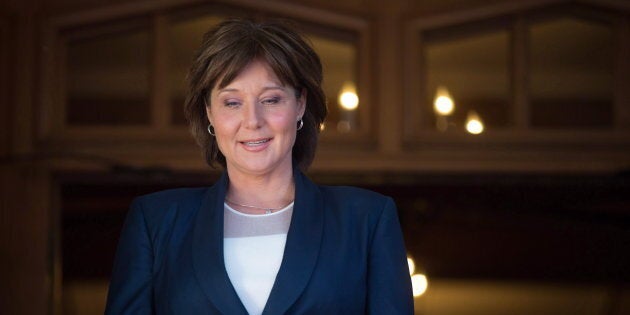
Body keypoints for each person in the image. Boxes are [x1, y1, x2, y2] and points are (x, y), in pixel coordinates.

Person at [105, 18, 413, 314]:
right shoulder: (156, 222)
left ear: (300, 104)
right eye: (232, 102)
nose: (252, 121)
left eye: (271, 99)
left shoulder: (366, 220)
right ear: (209, 113)